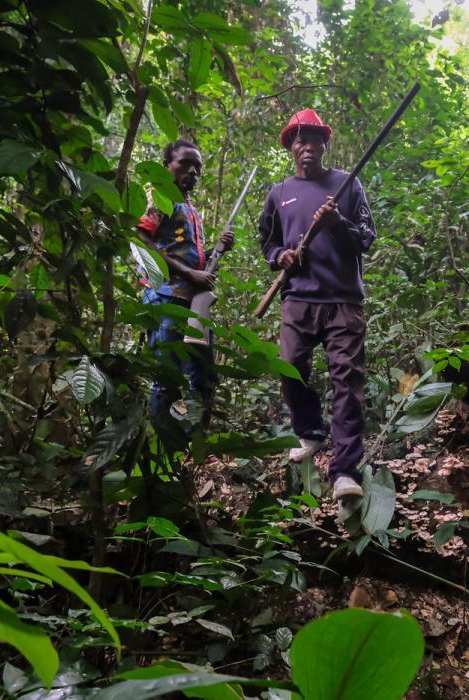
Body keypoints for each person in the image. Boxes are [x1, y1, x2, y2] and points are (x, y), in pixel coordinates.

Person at [258, 109, 377, 501]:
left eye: (313, 139)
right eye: (299, 140)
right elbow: (268, 241)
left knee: (347, 382)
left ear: (325, 144)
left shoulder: (347, 185)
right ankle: (310, 433)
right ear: (291, 148)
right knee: (289, 368)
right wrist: (280, 257)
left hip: (343, 300)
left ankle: (345, 471)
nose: (306, 146)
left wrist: (337, 224)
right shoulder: (279, 192)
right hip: (298, 299)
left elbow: (366, 238)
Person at [135, 138, 233, 446]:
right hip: (165, 297)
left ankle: (194, 445)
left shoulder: (189, 208)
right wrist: (189, 273)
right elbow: (141, 239)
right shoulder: (159, 196)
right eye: (184, 164)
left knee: (203, 375)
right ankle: (166, 450)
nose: (192, 171)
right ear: (167, 166)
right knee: (167, 378)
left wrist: (218, 249)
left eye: (197, 167)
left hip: (194, 303)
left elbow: (190, 256)